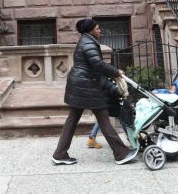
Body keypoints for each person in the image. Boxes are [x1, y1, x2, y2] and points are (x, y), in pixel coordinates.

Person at [52, 18, 137, 166]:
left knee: (72, 120)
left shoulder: (85, 41)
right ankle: (121, 153)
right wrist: (115, 71)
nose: (100, 30)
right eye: (97, 28)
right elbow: (97, 64)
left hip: (80, 85)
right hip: (86, 87)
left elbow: (93, 65)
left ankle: (59, 154)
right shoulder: (89, 43)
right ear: (91, 30)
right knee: (103, 119)